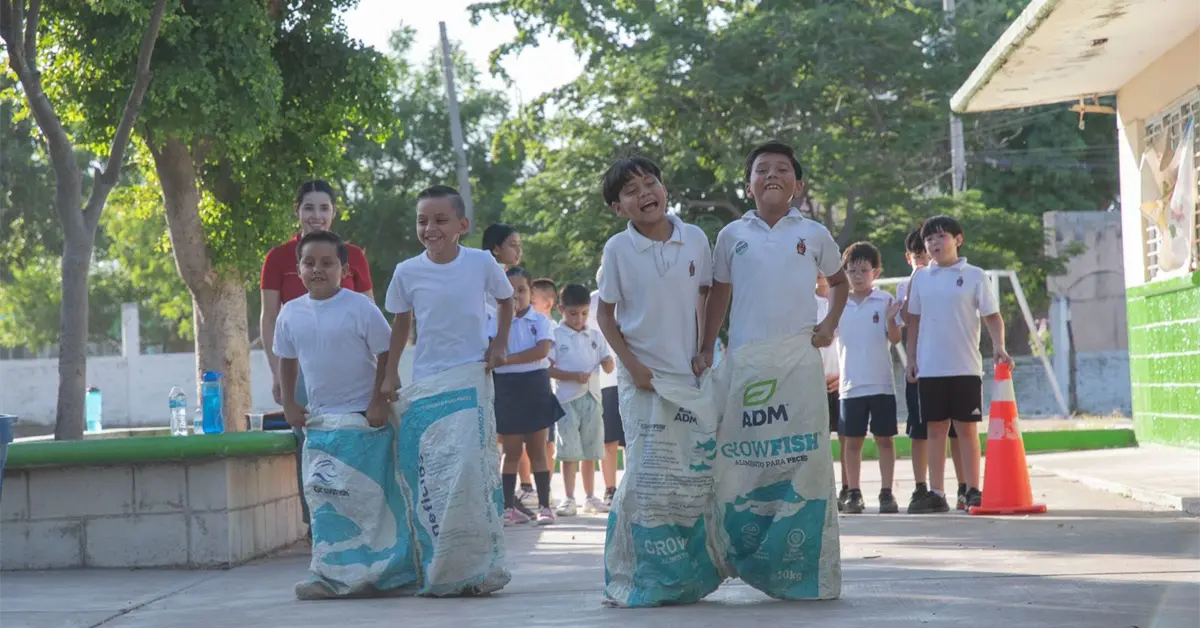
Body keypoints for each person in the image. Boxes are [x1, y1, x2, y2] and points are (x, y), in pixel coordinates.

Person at [699, 140, 846, 601]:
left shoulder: (815, 233)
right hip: (745, 361)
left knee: (802, 458)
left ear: (798, 185)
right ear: (749, 185)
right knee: (746, 460)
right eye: (762, 169)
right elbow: (718, 294)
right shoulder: (730, 236)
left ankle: (802, 567)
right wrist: (707, 347)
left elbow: (839, 282)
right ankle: (741, 555)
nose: (773, 175)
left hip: (799, 362)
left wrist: (829, 326)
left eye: (783, 168)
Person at [596, 155, 718, 607]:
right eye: (631, 190)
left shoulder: (695, 238)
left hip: (686, 375)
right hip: (640, 378)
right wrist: (632, 367)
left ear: (665, 189)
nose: (645, 194)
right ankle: (630, 574)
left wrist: (705, 349)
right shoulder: (617, 250)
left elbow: (706, 292)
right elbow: (605, 316)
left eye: (650, 183)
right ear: (619, 208)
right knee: (645, 476)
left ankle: (684, 575)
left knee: (688, 474)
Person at [380, 184, 514, 596]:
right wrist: (390, 373)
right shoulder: (407, 271)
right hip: (429, 384)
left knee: (471, 471)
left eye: (440, 220)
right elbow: (401, 323)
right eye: (423, 220)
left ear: (462, 225)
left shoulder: (480, 264)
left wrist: (499, 344)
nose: (430, 228)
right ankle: (444, 565)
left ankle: (481, 565)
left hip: (471, 380)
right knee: (438, 476)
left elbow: (506, 301)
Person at [273, 230, 394, 600]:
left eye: (327, 263)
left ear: (344, 268)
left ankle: (377, 573)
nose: (318, 270)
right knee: (326, 502)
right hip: (321, 426)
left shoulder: (360, 307)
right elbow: (286, 360)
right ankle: (326, 575)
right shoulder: (290, 313)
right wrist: (290, 404)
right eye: (309, 263)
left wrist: (378, 402)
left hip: (363, 422)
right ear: (298, 269)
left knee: (368, 503)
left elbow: (387, 354)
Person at [260, 180, 373, 537]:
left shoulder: (353, 255)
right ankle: (319, 525)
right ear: (298, 212)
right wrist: (278, 375)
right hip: (304, 371)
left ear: (334, 212)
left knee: (358, 440)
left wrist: (379, 379)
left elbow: (369, 307)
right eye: (309, 207)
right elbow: (269, 317)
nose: (317, 216)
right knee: (310, 445)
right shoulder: (279, 258)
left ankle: (363, 517)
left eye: (324, 208)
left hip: (354, 371)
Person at [905, 215, 1010, 513]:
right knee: (935, 430)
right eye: (929, 239)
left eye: (941, 237)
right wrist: (911, 359)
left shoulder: (975, 275)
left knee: (967, 430)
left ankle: (973, 489)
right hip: (930, 367)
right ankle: (936, 492)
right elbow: (913, 322)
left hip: (965, 367)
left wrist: (999, 347)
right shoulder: (921, 277)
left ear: (958, 239)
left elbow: (992, 315)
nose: (935, 243)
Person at [897, 228, 965, 511]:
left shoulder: (950, 281)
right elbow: (906, 318)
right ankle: (921, 487)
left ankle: (965, 486)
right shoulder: (910, 285)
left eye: (927, 254)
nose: (923, 261)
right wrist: (917, 277)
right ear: (909, 258)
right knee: (919, 430)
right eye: (917, 256)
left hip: (950, 364)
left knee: (956, 430)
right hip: (921, 367)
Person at [491, 266, 563, 526]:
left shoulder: (541, 321)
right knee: (510, 451)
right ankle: (508, 507)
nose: (515, 296)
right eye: (509, 292)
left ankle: (545, 506)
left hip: (535, 386)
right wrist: (503, 361)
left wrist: (506, 359)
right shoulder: (494, 322)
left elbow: (541, 351)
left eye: (521, 290)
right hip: (507, 389)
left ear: (531, 293)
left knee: (538, 450)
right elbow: (491, 354)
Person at [836, 242, 903, 514]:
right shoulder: (838, 304)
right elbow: (825, 337)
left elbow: (896, 338)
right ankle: (853, 492)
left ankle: (887, 492)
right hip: (850, 385)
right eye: (852, 270)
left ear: (875, 272)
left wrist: (890, 320)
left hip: (881, 384)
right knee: (852, 443)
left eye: (864, 270)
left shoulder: (885, 300)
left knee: (884, 439)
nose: (858, 275)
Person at [549, 283, 615, 516]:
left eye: (585, 313)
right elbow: (547, 369)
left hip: (593, 398)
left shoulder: (596, 335)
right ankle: (568, 498)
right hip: (566, 400)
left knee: (591, 449)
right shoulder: (556, 336)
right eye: (573, 313)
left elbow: (608, 363)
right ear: (561, 309)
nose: (579, 319)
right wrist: (572, 376)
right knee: (569, 450)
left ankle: (590, 496)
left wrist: (608, 363)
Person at [588, 277, 622, 507]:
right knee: (609, 439)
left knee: (634, 439)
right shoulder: (592, 301)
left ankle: (636, 486)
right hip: (606, 381)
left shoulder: (634, 294)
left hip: (635, 377)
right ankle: (610, 489)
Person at [816, 273, 848, 510]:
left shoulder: (847, 301)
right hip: (811, 381)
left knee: (847, 438)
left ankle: (849, 488)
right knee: (816, 441)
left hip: (842, 381)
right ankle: (820, 491)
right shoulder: (802, 303)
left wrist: (843, 374)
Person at [532, 276, 561, 475]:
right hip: (531, 389)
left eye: (533, 302)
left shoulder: (557, 331)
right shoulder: (527, 326)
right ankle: (527, 486)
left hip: (550, 392)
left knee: (549, 443)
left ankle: (547, 486)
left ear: (548, 304)